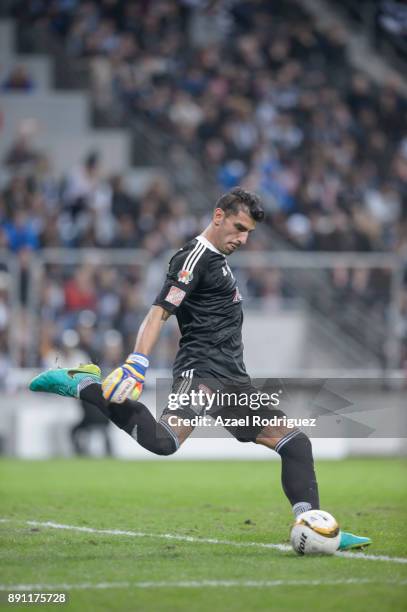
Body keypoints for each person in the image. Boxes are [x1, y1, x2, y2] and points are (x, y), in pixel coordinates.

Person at [30, 187, 370, 551]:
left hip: (233, 381)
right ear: (218, 215)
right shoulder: (192, 259)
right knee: (164, 441)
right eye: (238, 228)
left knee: (296, 444)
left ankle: (314, 527)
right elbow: (158, 312)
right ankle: (84, 385)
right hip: (202, 372)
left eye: (248, 233)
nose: (242, 238)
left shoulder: (219, 258)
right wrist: (137, 361)